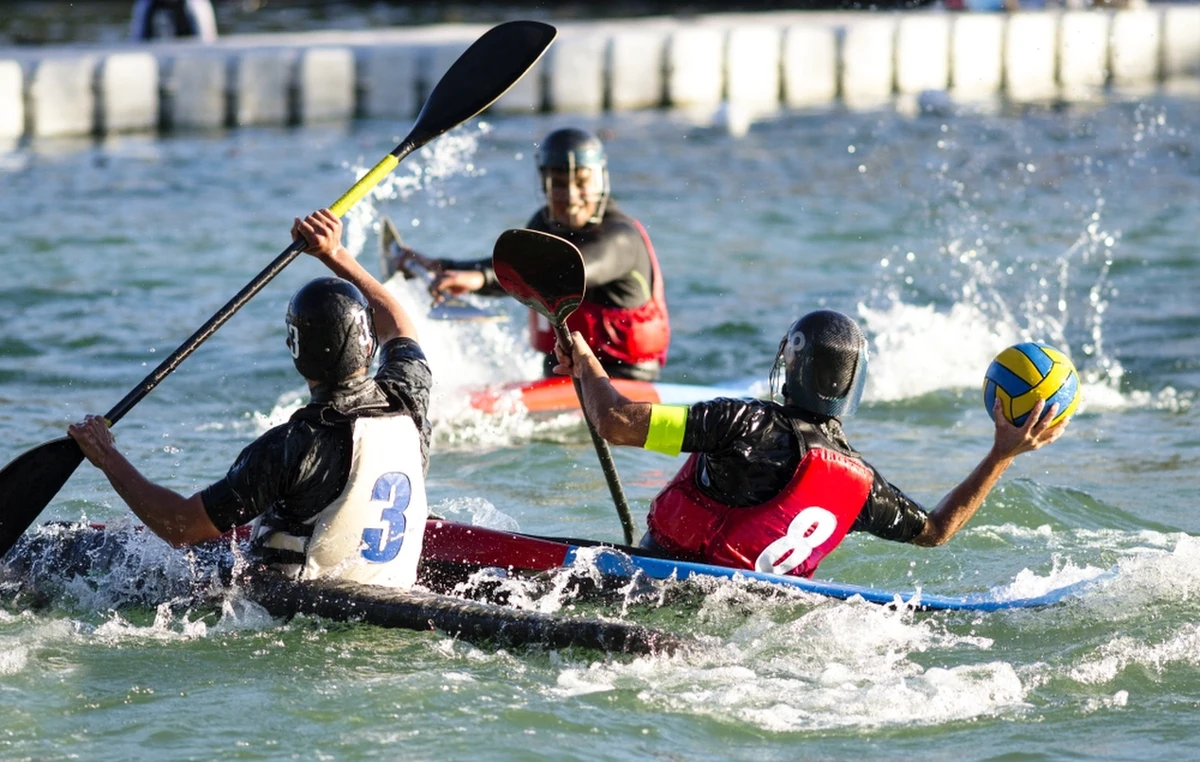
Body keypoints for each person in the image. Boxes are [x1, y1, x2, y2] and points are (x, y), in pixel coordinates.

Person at [552, 309, 1070, 577]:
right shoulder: (860, 483)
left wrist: (586, 361)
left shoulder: (741, 423)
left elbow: (616, 421)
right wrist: (1002, 454)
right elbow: (936, 531)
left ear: (792, 364)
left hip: (653, 590)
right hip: (748, 622)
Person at [67, 209, 432, 588]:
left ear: (296, 350)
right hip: (390, 593)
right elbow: (398, 325)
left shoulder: (295, 445)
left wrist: (106, 456)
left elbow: (181, 527)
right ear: (368, 343)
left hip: (294, 614)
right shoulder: (407, 395)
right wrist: (335, 253)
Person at [391, 127, 670, 381]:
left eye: (582, 182)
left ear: (600, 180)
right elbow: (515, 270)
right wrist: (442, 267)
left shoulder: (620, 239)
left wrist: (480, 278)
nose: (571, 197)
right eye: (558, 185)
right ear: (544, 184)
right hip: (558, 373)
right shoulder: (545, 223)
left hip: (623, 380)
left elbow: (564, 274)